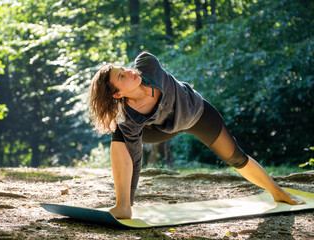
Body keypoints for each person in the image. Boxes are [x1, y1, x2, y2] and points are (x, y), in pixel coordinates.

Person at [88, 52, 305, 219]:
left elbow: (143, 68)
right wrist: (130, 202)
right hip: (161, 129)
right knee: (119, 134)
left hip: (195, 113)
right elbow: (134, 160)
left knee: (236, 157)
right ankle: (123, 205)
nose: (129, 71)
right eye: (122, 76)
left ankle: (278, 192)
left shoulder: (147, 65)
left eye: (124, 68)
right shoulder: (131, 117)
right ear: (118, 94)